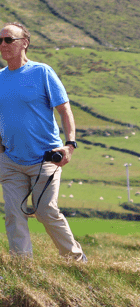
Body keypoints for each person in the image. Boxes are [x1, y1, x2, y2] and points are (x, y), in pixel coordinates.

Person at [0, 22, 85, 260]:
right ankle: (23, 267)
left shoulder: (42, 72)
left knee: (46, 210)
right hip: (11, 160)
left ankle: (75, 259)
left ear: (24, 43)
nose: (3, 45)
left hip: (45, 158)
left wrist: (70, 144)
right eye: (0, 40)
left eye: (9, 40)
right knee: (13, 214)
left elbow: (65, 110)